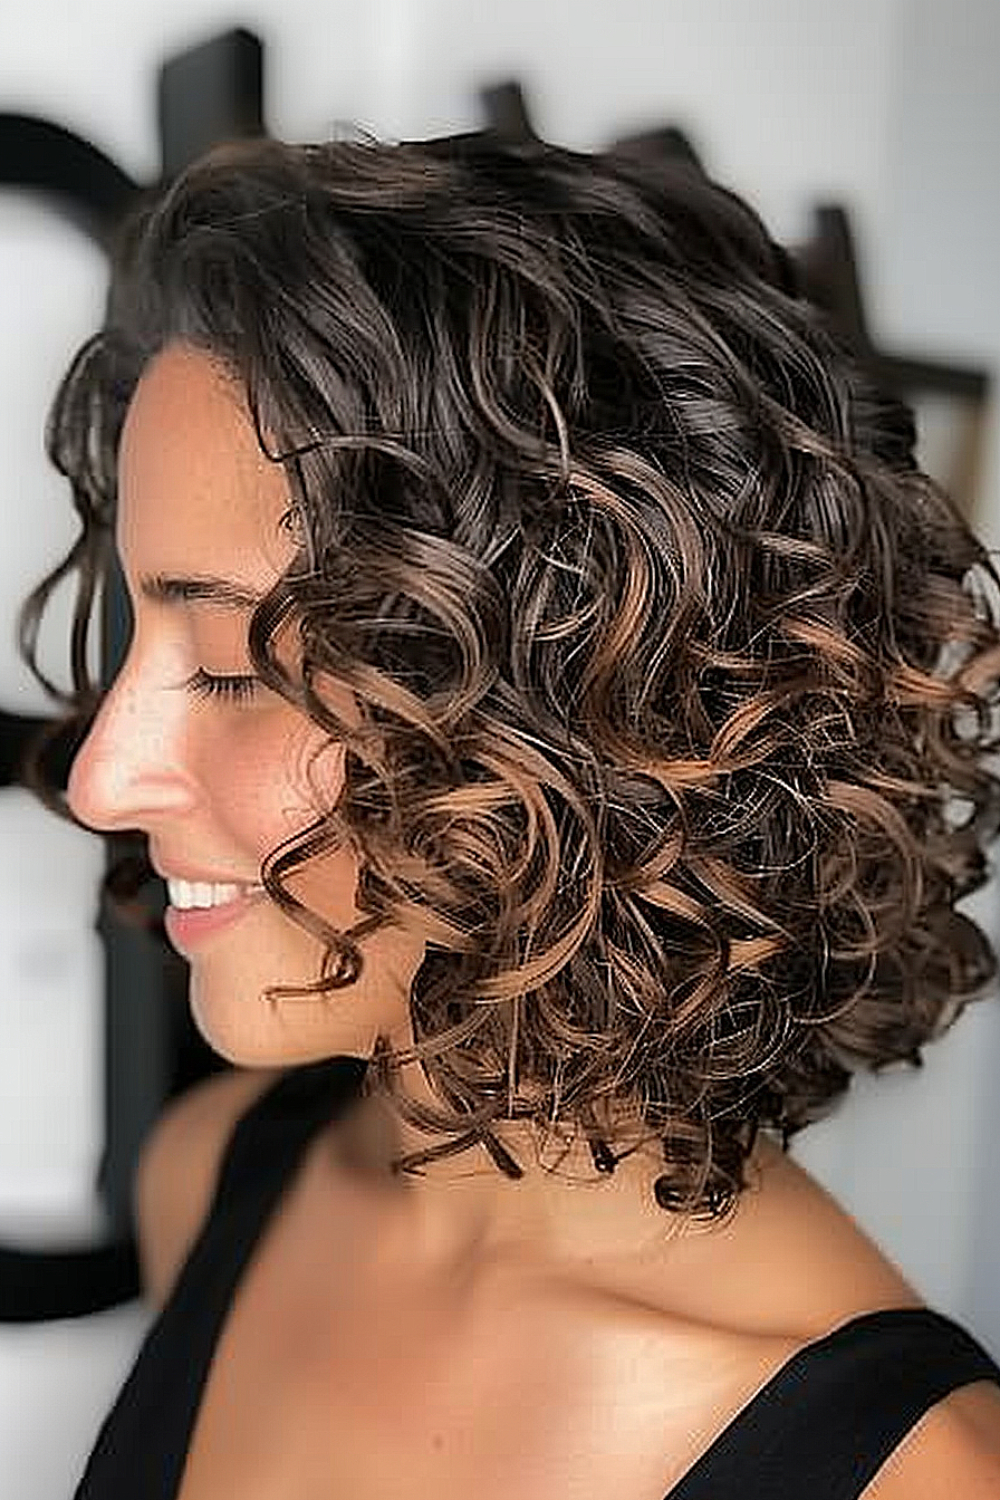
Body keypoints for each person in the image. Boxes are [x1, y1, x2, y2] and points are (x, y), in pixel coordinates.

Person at [22, 133, 1000, 1498]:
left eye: (236, 666)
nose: (97, 778)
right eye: (135, 635)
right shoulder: (212, 1178)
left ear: (587, 705)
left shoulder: (905, 1476)